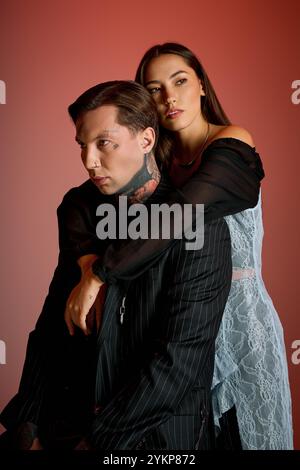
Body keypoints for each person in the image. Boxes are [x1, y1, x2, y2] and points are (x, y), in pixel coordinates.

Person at [0, 48, 264, 449]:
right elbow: (51, 333)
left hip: (161, 429)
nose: (89, 161)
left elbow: (176, 364)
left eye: (104, 143)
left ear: (145, 138)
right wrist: (27, 427)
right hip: (78, 421)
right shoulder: (94, 210)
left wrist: (97, 445)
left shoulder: (211, 188)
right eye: (155, 89)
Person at [65, 43, 293, 450]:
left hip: (238, 324)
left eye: (180, 81)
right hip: (179, 320)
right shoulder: (159, 162)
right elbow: (79, 203)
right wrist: (86, 264)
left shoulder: (232, 144)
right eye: (154, 89)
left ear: (202, 85)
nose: (169, 97)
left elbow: (184, 213)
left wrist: (102, 274)